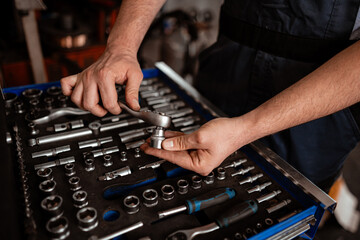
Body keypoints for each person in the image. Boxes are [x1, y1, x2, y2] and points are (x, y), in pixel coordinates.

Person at [61, 0, 360, 192]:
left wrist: (247, 128)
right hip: (226, 68)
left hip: (319, 103)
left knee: (290, 207)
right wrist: (121, 46)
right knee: (190, 185)